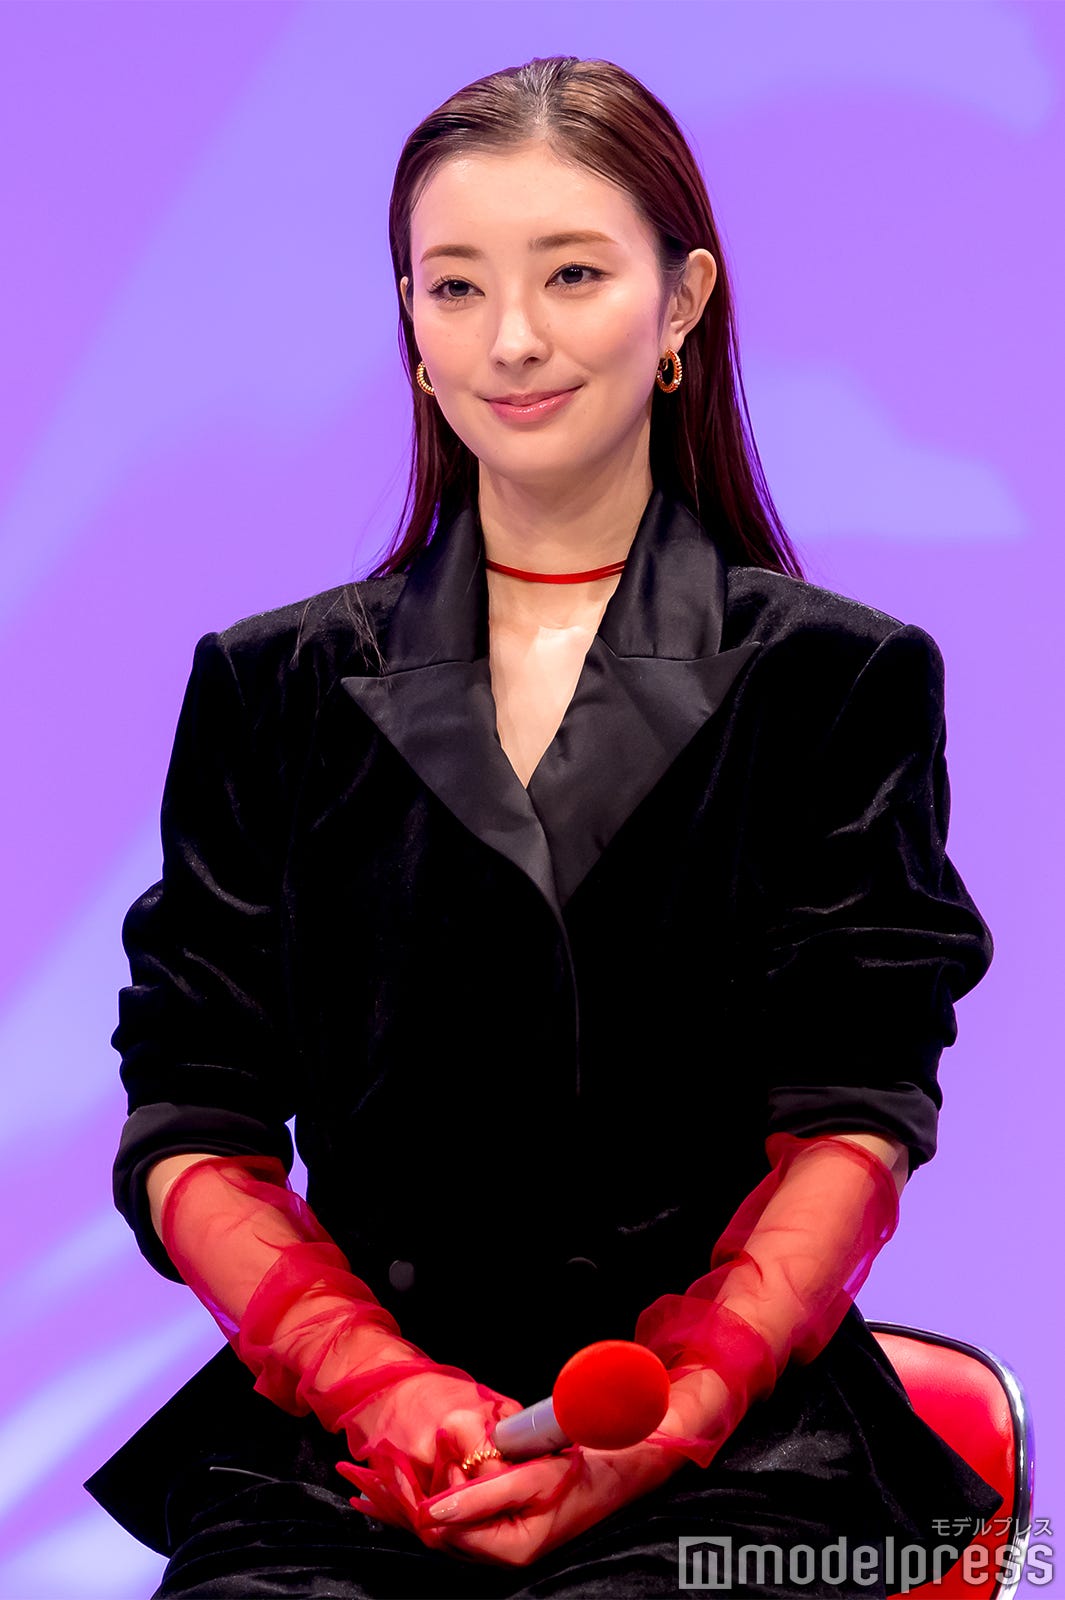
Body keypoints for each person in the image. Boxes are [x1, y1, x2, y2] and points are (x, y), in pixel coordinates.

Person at [85, 54, 1003, 1600]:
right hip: (351, 1452)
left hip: (720, 1441)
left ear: (681, 301)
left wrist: (674, 1405)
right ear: (411, 321)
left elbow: (854, 1110)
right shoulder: (267, 687)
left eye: (571, 274)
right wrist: (378, 1387)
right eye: (454, 287)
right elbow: (194, 1121)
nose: (509, 338)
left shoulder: (838, 680)